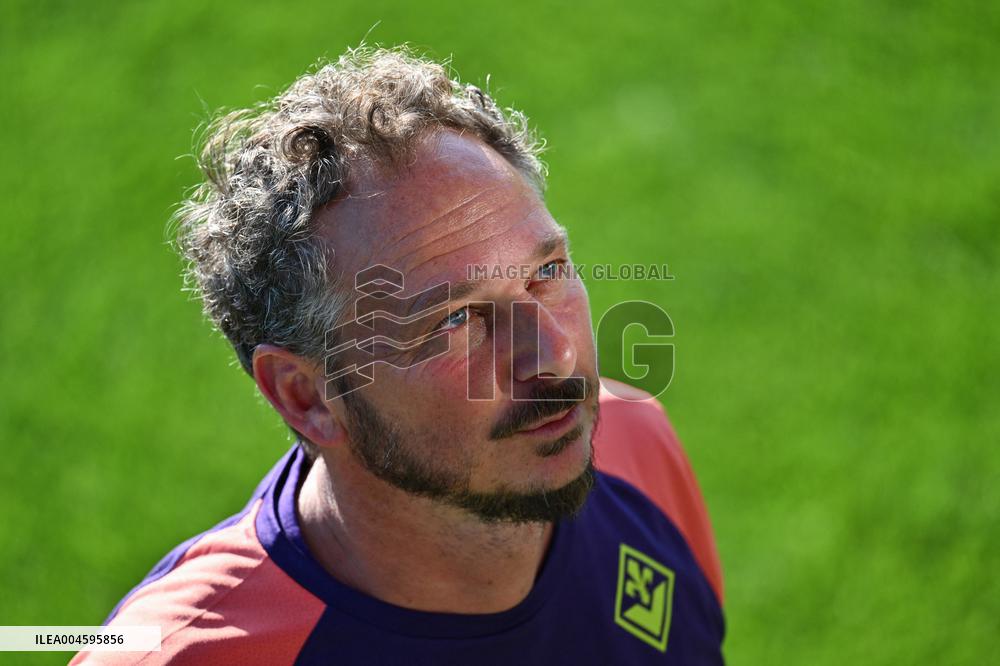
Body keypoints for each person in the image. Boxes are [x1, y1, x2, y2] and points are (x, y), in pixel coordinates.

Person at [72, 46, 725, 665]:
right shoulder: (176, 654)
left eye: (546, 272)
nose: (554, 357)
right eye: (456, 320)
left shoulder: (627, 440)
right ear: (306, 395)